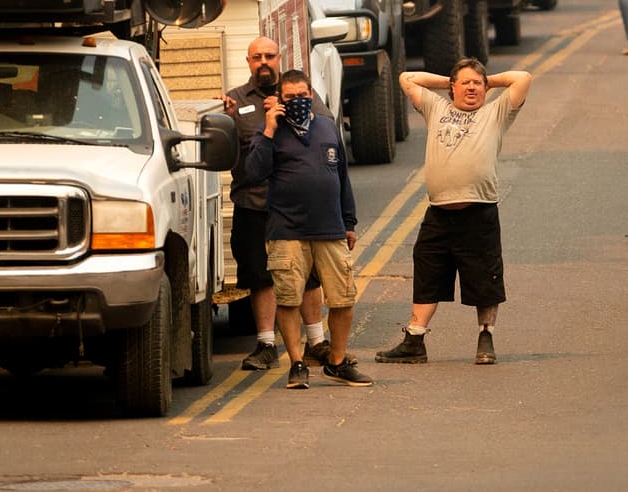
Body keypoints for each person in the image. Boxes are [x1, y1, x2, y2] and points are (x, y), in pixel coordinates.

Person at [376, 58, 531, 366]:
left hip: (479, 212)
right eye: (465, 83)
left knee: (484, 279)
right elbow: (408, 78)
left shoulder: (495, 113)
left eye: (477, 83)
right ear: (452, 88)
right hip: (439, 213)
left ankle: (485, 337)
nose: (472, 88)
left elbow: (522, 78)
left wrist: (488, 81)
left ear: (485, 89)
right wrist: (448, 82)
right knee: (427, 272)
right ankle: (414, 340)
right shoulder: (438, 109)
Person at [246, 69, 371, 389]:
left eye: (303, 96)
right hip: (287, 232)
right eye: (290, 98)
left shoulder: (328, 127)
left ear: (312, 94)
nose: (298, 102)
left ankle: (338, 362)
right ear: (280, 99)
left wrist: (349, 222)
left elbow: (342, 176)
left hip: (329, 230)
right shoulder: (269, 131)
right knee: (288, 300)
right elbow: (255, 172)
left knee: (343, 299)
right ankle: (297, 363)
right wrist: (270, 128)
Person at [222, 36, 337, 371]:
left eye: (269, 56)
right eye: (256, 56)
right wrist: (226, 118)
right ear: (247, 61)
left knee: (309, 275)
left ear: (279, 58)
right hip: (253, 205)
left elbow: (326, 133)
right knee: (262, 277)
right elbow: (228, 152)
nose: (263, 62)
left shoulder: (300, 96)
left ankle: (316, 341)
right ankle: (265, 343)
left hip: (295, 206)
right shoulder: (236, 101)